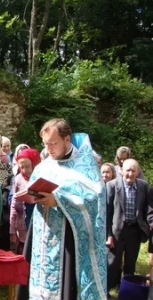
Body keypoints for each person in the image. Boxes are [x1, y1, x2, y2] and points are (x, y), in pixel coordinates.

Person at [17, 118, 107, 300]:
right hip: (42, 235)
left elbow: (93, 199)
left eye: (53, 143)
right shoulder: (44, 165)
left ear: (67, 139)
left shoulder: (85, 166)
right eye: (45, 144)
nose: (48, 149)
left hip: (68, 240)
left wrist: (58, 200)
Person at [106, 159, 149, 296]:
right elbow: (107, 212)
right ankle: (106, 290)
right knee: (112, 263)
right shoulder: (112, 185)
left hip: (134, 231)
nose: (130, 174)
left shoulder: (143, 186)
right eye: (127, 170)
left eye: (133, 170)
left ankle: (125, 290)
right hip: (117, 230)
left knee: (130, 263)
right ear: (122, 171)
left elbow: (145, 209)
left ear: (138, 172)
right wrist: (108, 235)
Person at [9, 148, 40, 254]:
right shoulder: (18, 179)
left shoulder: (40, 178)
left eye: (27, 166)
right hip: (23, 223)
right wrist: (12, 230)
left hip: (37, 220)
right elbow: (14, 204)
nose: (24, 170)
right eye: (21, 167)